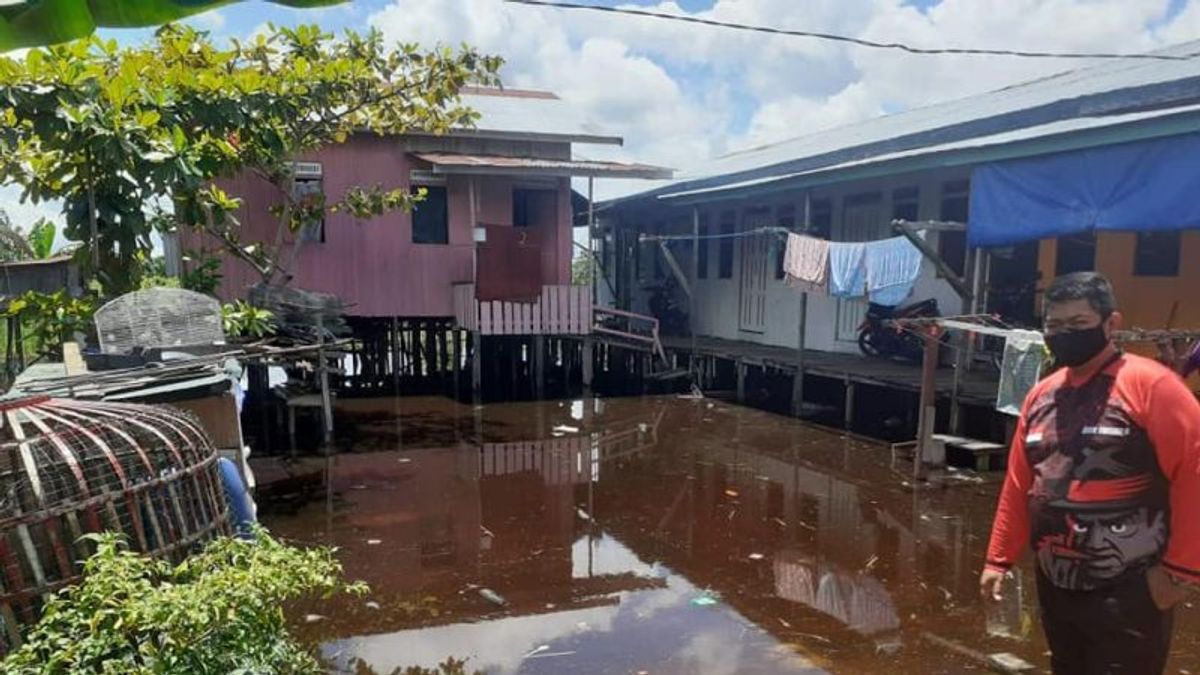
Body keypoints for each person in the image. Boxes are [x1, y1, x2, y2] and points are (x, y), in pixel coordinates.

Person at [980, 272, 1200, 675]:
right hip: (1056, 581)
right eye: (1054, 326)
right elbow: (1019, 484)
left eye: (1078, 325)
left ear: (1110, 324)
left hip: (1131, 585)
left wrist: (1178, 574)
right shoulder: (1041, 396)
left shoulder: (1151, 386)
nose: (1063, 335)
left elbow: (1195, 473)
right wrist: (999, 559)